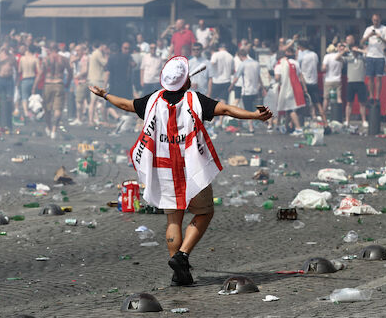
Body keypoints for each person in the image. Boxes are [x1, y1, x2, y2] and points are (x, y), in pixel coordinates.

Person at [88, 56, 272, 286]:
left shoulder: (153, 99)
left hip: (164, 169)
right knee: (205, 212)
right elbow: (226, 109)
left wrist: (104, 95)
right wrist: (256, 115)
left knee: (173, 219)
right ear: (186, 81)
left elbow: (126, 104)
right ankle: (182, 256)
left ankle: (178, 274)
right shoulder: (195, 99)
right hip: (191, 169)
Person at [37, 42, 72, 139]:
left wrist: (35, 87)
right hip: (59, 83)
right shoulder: (63, 59)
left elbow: (40, 74)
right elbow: (70, 71)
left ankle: (48, 127)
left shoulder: (46, 59)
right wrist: (68, 83)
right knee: (58, 109)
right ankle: (54, 130)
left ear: (49, 49)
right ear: (57, 48)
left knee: (47, 108)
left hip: (48, 84)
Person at [274, 47, 306, 136]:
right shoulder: (295, 63)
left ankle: (298, 128)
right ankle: (286, 126)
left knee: (290, 109)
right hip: (296, 87)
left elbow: (277, 78)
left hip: (286, 89)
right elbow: (300, 75)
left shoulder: (279, 65)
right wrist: (304, 87)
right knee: (289, 109)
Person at [297, 40, 328, 128]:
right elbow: (317, 66)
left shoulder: (301, 55)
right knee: (318, 104)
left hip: (304, 83)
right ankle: (326, 123)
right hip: (314, 82)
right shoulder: (315, 55)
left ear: (301, 47)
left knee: (300, 104)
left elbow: (299, 70)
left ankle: (298, 124)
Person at [361, 13, 386, 103]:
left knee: (378, 77)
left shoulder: (384, 29)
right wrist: (368, 36)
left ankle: (377, 97)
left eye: (377, 20)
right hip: (370, 55)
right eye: (374, 20)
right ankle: (371, 96)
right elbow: (361, 42)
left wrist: (380, 37)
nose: (375, 22)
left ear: (380, 20)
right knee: (370, 77)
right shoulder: (368, 29)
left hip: (380, 56)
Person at [105, 42, 135, 121]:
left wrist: (105, 85)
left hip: (116, 84)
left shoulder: (112, 58)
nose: (127, 50)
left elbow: (108, 72)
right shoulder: (128, 57)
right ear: (121, 48)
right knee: (124, 103)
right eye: (126, 48)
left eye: (128, 48)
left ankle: (118, 118)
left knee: (109, 105)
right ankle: (121, 118)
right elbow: (134, 65)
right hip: (123, 85)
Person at [234, 49, 263, 133]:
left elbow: (236, 77)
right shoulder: (256, 63)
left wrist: (231, 86)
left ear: (240, 56)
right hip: (255, 89)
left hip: (246, 90)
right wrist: (262, 87)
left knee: (248, 110)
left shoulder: (242, 64)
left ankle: (251, 127)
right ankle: (266, 123)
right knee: (255, 108)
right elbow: (259, 76)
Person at [0, 39, 17, 130]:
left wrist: (17, 79)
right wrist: (0, 50)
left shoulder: (11, 56)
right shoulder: (0, 55)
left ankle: (8, 115)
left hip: (9, 78)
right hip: (0, 78)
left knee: (10, 98)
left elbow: (16, 68)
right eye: (4, 46)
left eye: (7, 46)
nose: (6, 48)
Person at [342, 45, 368, 127]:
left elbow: (368, 53)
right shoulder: (349, 58)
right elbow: (337, 58)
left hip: (360, 81)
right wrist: (344, 51)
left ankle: (364, 120)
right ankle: (347, 120)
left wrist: (359, 50)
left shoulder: (363, 58)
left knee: (362, 103)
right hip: (351, 82)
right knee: (349, 102)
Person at [87, 42, 108, 126]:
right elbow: (105, 63)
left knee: (94, 101)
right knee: (98, 101)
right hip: (97, 79)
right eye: (105, 47)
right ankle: (97, 120)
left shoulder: (94, 53)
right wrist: (106, 54)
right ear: (102, 46)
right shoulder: (98, 53)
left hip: (93, 78)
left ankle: (92, 120)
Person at [321, 43, 345, 116]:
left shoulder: (327, 56)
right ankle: (339, 115)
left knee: (326, 98)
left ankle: (323, 115)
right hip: (338, 79)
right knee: (339, 98)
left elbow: (324, 68)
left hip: (328, 79)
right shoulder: (341, 57)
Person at [19, 44, 41, 121]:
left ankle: (26, 112)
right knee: (33, 97)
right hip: (33, 78)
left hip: (25, 79)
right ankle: (33, 112)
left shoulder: (22, 58)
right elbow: (39, 71)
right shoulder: (35, 59)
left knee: (24, 97)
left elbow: (19, 70)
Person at [70, 44, 89, 126]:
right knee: (82, 101)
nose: (76, 52)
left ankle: (79, 119)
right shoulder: (81, 58)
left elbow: (85, 71)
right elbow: (71, 61)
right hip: (81, 81)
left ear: (82, 51)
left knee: (79, 101)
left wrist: (77, 76)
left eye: (78, 50)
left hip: (82, 81)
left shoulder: (84, 59)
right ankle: (81, 118)